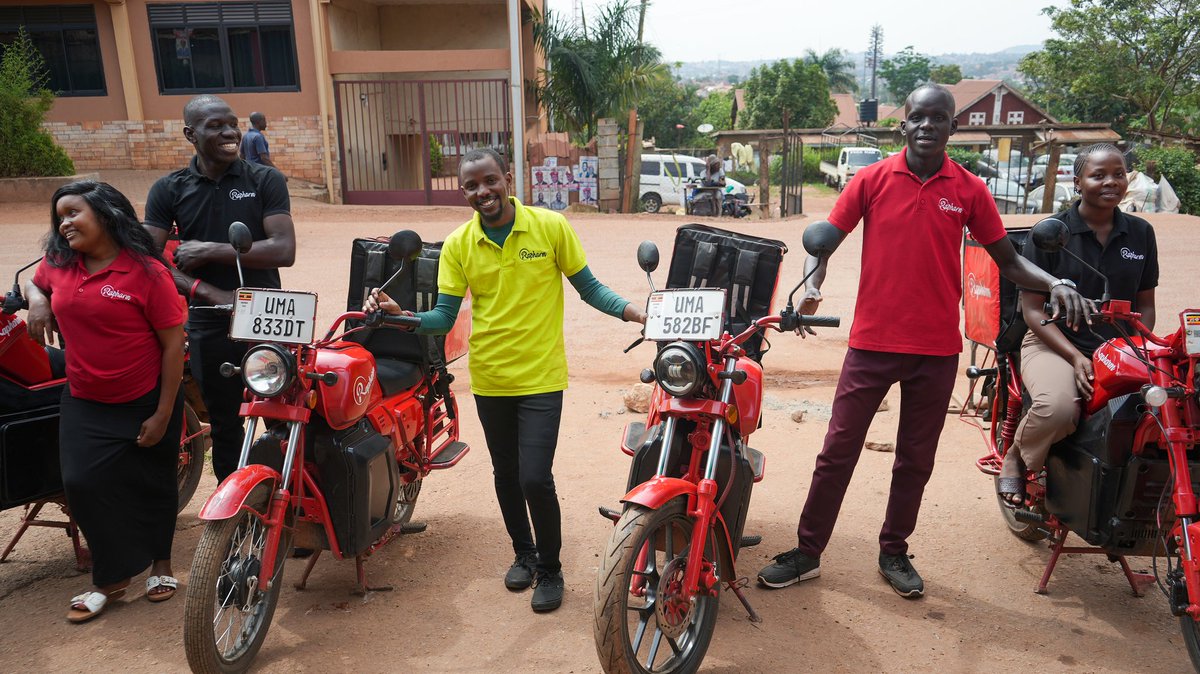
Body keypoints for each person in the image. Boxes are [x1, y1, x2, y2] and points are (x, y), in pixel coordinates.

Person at [756, 84, 1089, 598]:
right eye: (918, 117)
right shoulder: (871, 179)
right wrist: (813, 286)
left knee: (915, 458)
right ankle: (807, 550)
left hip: (935, 350)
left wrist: (1055, 282)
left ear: (953, 128)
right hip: (871, 344)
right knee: (837, 450)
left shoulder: (970, 190)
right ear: (903, 124)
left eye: (939, 118)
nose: (927, 126)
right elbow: (825, 241)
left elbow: (1009, 260)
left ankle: (894, 551)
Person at [364, 147, 646, 612]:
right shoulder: (458, 244)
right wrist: (404, 317)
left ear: (508, 178)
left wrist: (638, 313)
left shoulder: (550, 227)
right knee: (506, 475)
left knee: (535, 477)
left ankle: (551, 570)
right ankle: (524, 554)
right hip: (491, 377)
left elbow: (590, 288)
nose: (483, 192)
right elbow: (443, 317)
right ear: (464, 192)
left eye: (490, 181)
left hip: (540, 376)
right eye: (472, 186)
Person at [26, 181, 186, 622]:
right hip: (84, 397)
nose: (65, 223)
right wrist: (38, 302)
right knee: (81, 483)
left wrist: (163, 412)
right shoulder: (59, 261)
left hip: (145, 397)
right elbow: (32, 284)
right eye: (60, 216)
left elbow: (173, 346)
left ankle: (161, 565)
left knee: (152, 482)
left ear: (106, 214)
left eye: (74, 213)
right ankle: (112, 578)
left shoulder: (147, 273)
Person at [143, 95, 296, 483]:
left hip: (266, 314)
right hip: (209, 320)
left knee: (284, 415)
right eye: (216, 126)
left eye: (232, 124)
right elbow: (146, 257)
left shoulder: (264, 180)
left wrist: (211, 250)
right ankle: (234, 514)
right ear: (190, 134)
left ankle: (281, 506)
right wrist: (203, 289)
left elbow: (283, 249)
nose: (229, 132)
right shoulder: (169, 189)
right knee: (226, 423)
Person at [997, 144, 1156, 504]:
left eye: (1118, 174)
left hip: (1119, 348)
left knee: (1158, 411)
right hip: (1053, 341)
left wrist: (1139, 349)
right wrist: (1075, 357)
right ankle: (1016, 458)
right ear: (1078, 180)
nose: (1110, 182)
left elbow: (1145, 306)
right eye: (1098, 175)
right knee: (1059, 408)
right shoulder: (1050, 233)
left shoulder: (1141, 233)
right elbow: (1033, 312)